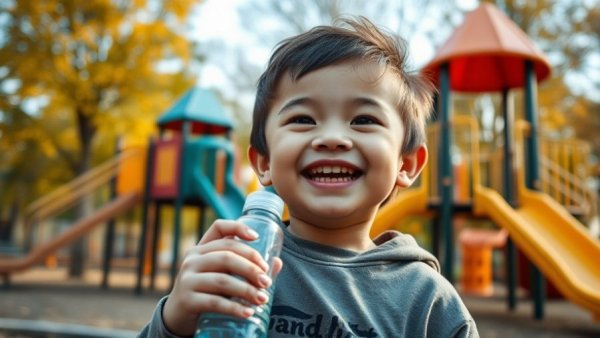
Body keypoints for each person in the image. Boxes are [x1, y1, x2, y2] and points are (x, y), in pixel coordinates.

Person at [139, 16, 478, 338]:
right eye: (302, 119)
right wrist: (173, 321)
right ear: (264, 161)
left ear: (406, 163)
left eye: (363, 120)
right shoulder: (238, 268)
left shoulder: (430, 303)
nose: (332, 137)